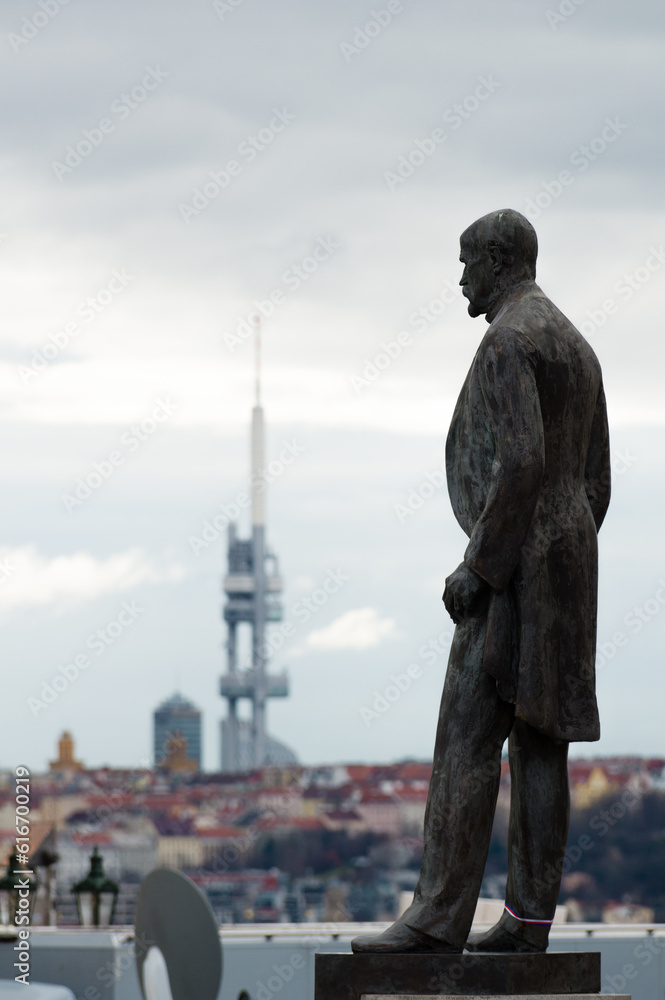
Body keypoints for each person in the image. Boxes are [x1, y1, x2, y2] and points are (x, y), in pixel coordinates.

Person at [352, 209, 611, 955]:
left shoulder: (506, 339)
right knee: (541, 742)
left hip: (513, 564)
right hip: (570, 559)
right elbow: (593, 480)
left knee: (466, 734)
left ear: (498, 261)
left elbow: (521, 461)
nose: (460, 277)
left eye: (467, 262)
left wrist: (482, 567)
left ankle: (436, 920)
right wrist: (564, 553)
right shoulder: (574, 344)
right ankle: (527, 926)